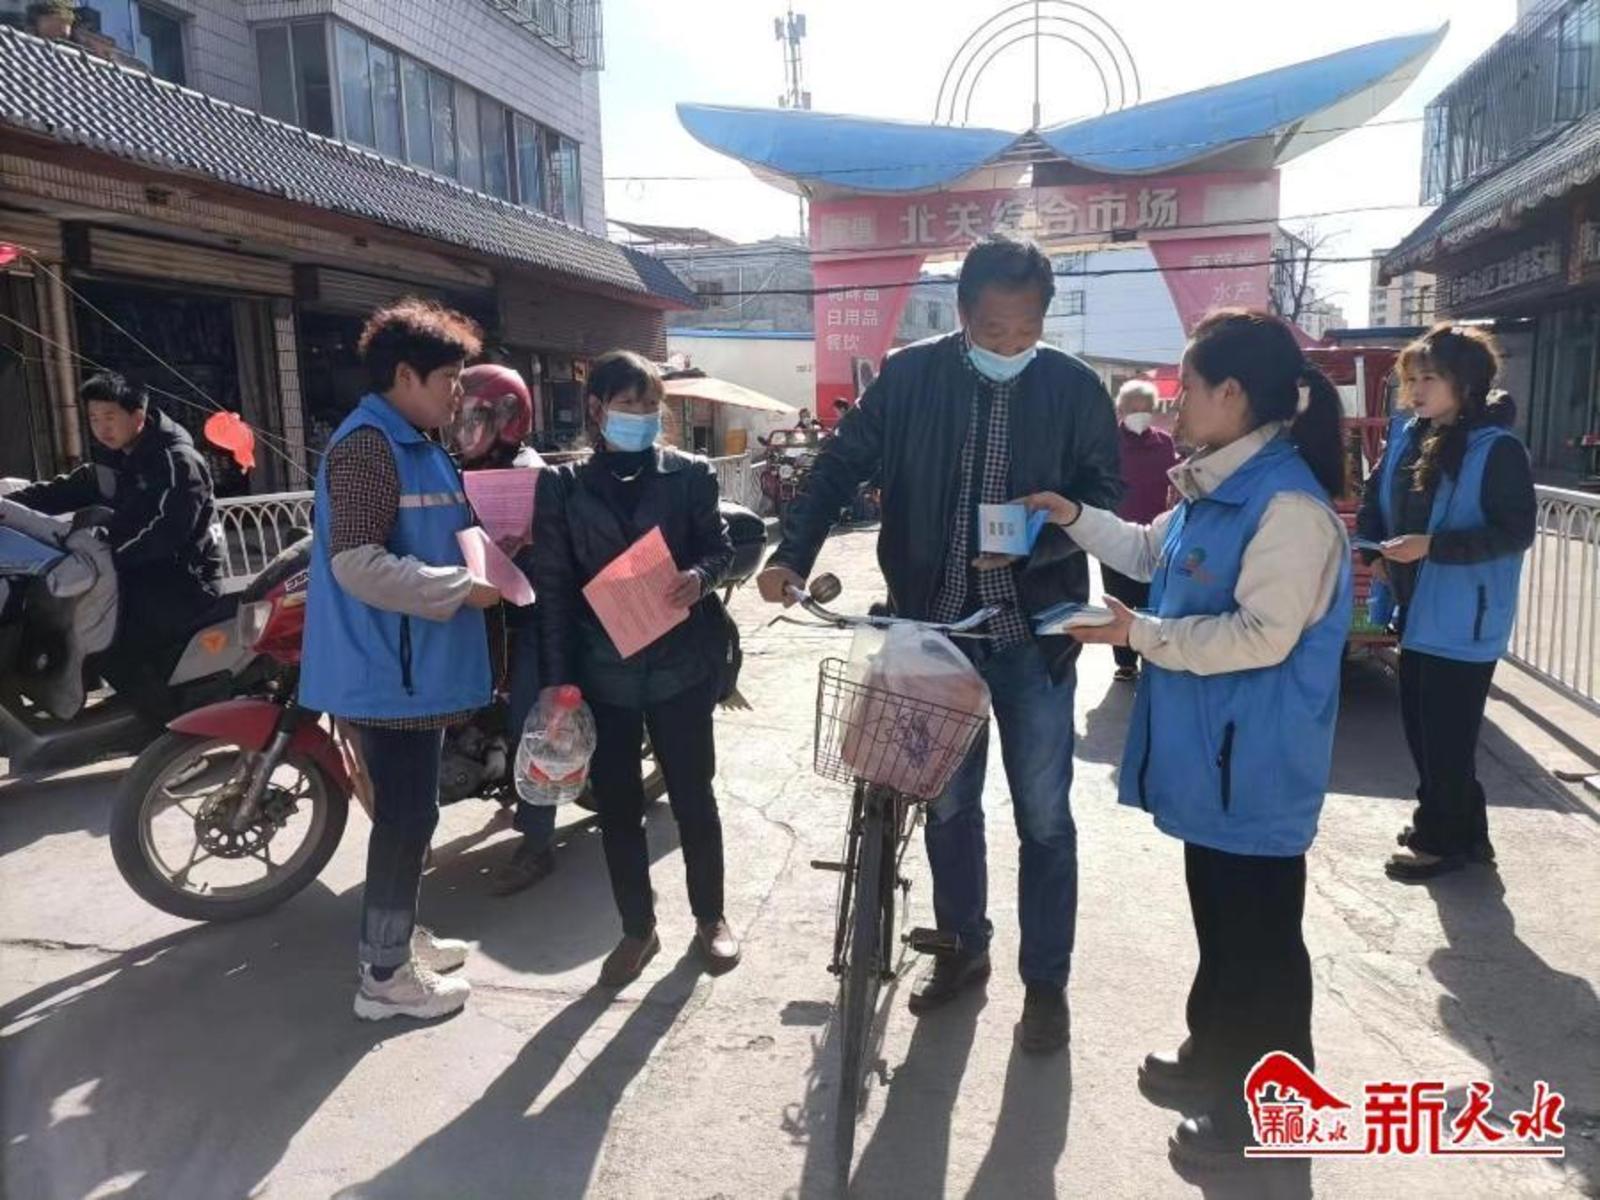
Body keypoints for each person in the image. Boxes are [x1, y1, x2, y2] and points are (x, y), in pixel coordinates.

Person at [758, 233, 1122, 1054]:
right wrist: (792, 556)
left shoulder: (1073, 388)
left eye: (1027, 330)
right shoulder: (910, 377)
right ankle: (963, 948)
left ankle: (1047, 986)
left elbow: (1102, 495)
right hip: (933, 631)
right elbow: (838, 467)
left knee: (1045, 818)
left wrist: (1037, 542)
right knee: (950, 807)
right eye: (994, 330)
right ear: (961, 313)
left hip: (1033, 636)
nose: (1011, 344)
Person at [1025, 309, 1352, 1167]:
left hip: (1256, 769)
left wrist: (1140, 635)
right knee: (1223, 928)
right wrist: (1071, 514)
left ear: (1233, 394)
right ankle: (1214, 1058)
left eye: (1188, 387)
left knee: (1261, 955)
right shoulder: (1219, 487)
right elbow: (1143, 551)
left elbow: (1262, 637)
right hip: (1217, 764)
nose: (1174, 405)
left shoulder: (1286, 507)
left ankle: (1265, 1129)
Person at [300, 299, 501, 1022]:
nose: (459, 392)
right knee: (406, 820)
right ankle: (384, 977)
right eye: (449, 378)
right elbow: (356, 562)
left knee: (411, 815)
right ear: (406, 375)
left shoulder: (418, 441)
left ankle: (397, 936)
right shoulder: (368, 448)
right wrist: (462, 588)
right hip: (392, 672)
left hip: (414, 667)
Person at [532, 350, 739, 986]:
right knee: (618, 810)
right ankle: (636, 929)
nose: (643, 416)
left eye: (651, 406)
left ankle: (711, 918)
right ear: (597, 410)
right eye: (629, 405)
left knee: (694, 797)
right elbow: (554, 587)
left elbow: (720, 548)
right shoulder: (562, 486)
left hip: (680, 666)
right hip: (604, 672)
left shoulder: (689, 475)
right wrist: (557, 681)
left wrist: (699, 577)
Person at [1356, 324, 1535, 882]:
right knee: (1424, 730)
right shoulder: (1408, 436)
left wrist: (1431, 546)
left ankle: (1441, 839)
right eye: (1410, 379)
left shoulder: (1496, 449)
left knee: (1444, 739)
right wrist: (1373, 553)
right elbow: (1374, 497)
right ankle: (1464, 831)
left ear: (1465, 382)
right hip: (1414, 607)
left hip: (1464, 617)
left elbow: (1514, 531)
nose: (1415, 390)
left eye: (1428, 378)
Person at [11, 371, 222, 704]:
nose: (101, 427)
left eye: (110, 417)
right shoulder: (115, 457)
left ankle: (162, 722)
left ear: (138, 415)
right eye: (94, 418)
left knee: (105, 636)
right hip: (137, 571)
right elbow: (66, 490)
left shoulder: (176, 460)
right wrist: (9, 505)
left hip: (183, 580)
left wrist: (110, 552)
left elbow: (167, 530)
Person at [443, 363, 562, 897]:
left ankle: (537, 844)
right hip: (479, 617)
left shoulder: (530, 473)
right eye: (459, 419)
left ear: (510, 417)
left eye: (476, 419)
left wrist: (523, 545)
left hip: (527, 623)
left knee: (529, 727)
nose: (464, 431)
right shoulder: (455, 470)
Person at [1103, 379, 1180, 681]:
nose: (1140, 413)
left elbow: (1175, 481)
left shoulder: (1165, 443)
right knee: (1119, 596)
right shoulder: (1107, 444)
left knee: (1152, 596)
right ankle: (1124, 661)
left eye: (1145, 408)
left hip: (1156, 534)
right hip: (1115, 534)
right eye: (1133, 408)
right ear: (1120, 410)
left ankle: (1150, 653)